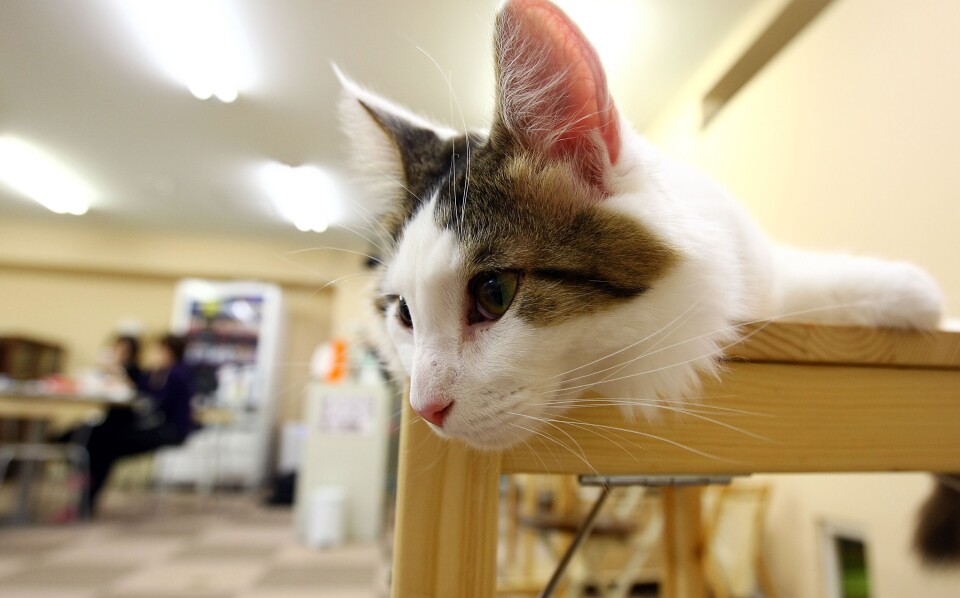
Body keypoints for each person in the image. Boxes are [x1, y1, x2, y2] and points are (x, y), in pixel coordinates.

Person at [81, 333, 195, 516]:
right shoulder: (159, 373)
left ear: (168, 352)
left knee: (105, 442)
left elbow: (152, 404)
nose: (154, 354)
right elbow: (139, 392)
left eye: (158, 350)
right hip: (155, 427)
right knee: (100, 436)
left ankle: (86, 498)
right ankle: (85, 493)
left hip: (169, 431)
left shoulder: (176, 374)